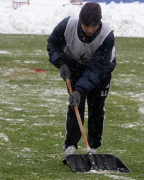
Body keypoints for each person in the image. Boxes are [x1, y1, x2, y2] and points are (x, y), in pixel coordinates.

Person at [47, 2, 116, 159]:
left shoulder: (107, 35)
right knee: (75, 105)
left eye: (94, 26)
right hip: (74, 66)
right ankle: (70, 146)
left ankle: (93, 147)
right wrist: (61, 63)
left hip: (101, 70)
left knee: (97, 108)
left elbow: (97, 69)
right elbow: (53, 44)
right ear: (80, 21)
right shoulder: (67, 25)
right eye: (86, 26)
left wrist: (80, 89)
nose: (90, 30)